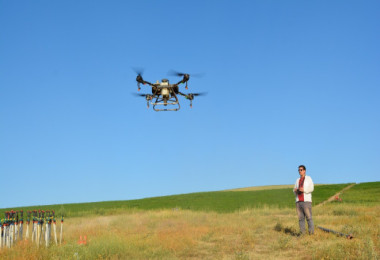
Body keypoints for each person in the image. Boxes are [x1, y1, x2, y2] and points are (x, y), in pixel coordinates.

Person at [293, 165, 314, 235]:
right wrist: (295, 191)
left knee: (309, 218)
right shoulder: (297, 180)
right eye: (299, 170)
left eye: (301, 170)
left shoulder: (308, 178)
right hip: (298, 201)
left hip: (306, 201)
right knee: (300, 219)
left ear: (304, 171)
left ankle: (311, 233)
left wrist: (304, 190)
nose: (300, 171)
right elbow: (294, 189)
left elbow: (312, 188)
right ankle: (303, 234)